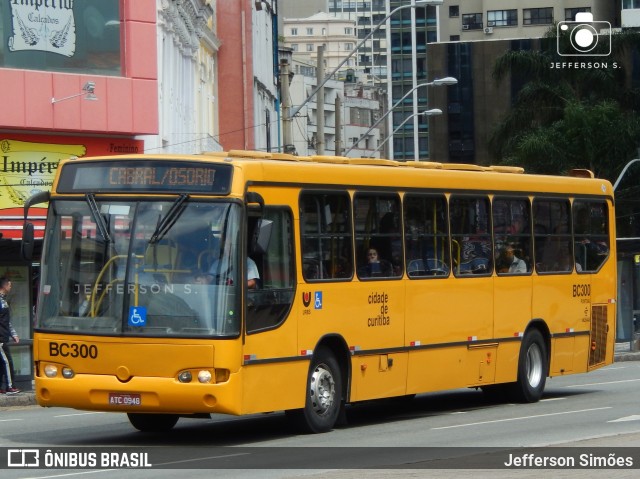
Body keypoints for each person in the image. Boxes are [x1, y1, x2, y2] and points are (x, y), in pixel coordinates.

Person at [0, 276, 20, 395]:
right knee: (7, 362)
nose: (11, 287)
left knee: (2, 362)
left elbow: (6, 321)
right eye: (10, 285)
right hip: (1, 337)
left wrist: (13, 334)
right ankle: (10, 386)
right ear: (5, 286)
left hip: (3, 335)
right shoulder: (1, 302)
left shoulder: (3, 301)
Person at [195, 257, 260, 289]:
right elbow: (210, 278)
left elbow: (252, 283)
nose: (228, 247)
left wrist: (233, 285)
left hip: (239, 295)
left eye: (230, 244)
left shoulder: (247, 262)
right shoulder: (217, 263)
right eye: (227, 245)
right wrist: (203, 281)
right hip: (219, 295)